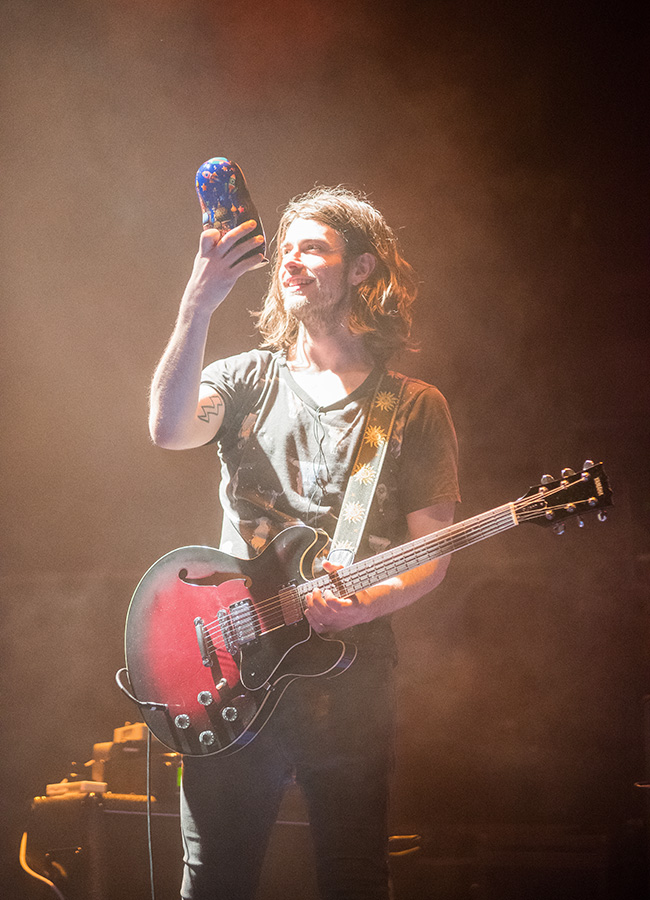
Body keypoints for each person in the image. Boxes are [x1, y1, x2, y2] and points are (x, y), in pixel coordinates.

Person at [149, 186, 460, 900]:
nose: (290, 260)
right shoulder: (244, 379)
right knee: (215, 880)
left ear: (360, 269)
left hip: (351, 676)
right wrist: (198, 303)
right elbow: (167, 431)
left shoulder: (413, 405)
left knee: (353, 876)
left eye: (312, 247)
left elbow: (432, 551)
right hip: (232, 668)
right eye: (284, 248)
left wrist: (363, 605)